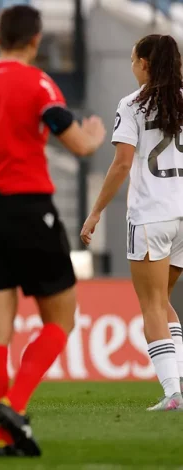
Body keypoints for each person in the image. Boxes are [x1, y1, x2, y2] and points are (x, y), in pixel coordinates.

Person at [0, 5, 106, 458]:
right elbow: (77, 143)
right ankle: (14, 405)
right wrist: (93, 136)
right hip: (29, 210)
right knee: (60, 319)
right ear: (35, 40)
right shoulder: (39, 84)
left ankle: (4, 439)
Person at [81, 34, 183, 411]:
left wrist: (96, 211)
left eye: (132, 60)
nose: (131, 66)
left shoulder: (133, 104)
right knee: (164, 301)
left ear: (144, 64)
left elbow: (122, 163)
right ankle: (179, 385)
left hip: (152, 215)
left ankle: (172, 393)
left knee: (152, 306)